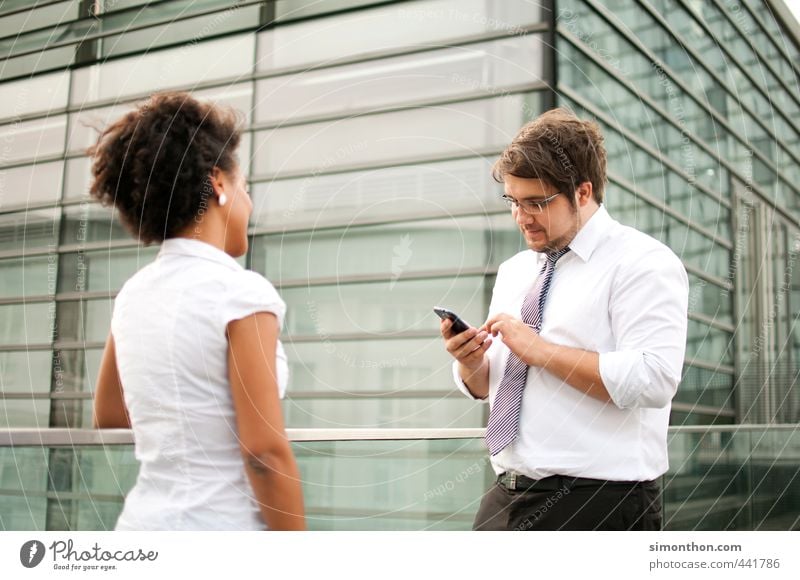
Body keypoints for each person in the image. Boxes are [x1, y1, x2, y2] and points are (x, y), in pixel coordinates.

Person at [441, 108, 689, 531]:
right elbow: (492, 383)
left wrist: (540, 351)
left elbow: (653, 378)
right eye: (513, 202)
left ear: (583, 191)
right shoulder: (516, 270)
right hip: (506, 496)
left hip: (599, 504)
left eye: (536, 203)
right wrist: (469, 362)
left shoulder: (642, 263)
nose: (521, 217)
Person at [91, 92, 305, 530]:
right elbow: (263, 453)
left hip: (140, 531)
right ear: (220, 184)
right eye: (245, 187)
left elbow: (110, 414)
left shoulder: (134, 294)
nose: (249, 204)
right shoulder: (241, 293)